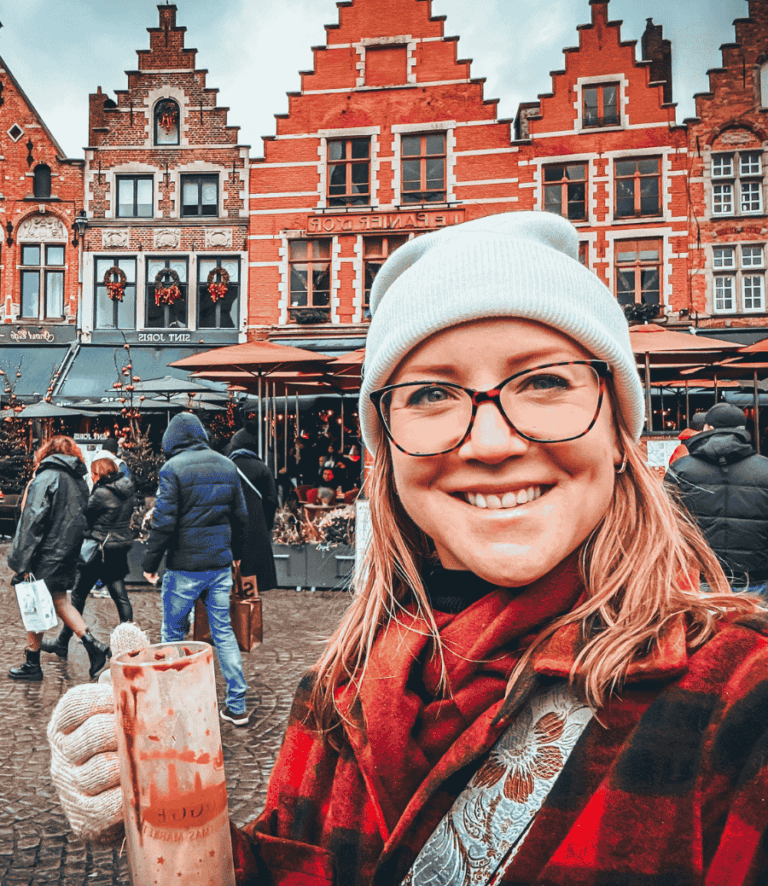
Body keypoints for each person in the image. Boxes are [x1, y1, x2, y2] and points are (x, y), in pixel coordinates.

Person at [46, 213, 768, 883]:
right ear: (387, 451)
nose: (490, 442)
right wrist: (174, 827)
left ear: (620, 432)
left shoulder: (739, 704)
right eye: (430, 394)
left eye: (545, 381)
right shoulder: (336, 690)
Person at [142, 411, 251, 726]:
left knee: (174, 633)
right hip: (218, 564)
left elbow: (163, 522)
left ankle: (177, 703)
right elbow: (241, 518)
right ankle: (237, 703)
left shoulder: (172, 469)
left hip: (184, 566)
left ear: (172, 439)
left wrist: (150, 564)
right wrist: (237, 556)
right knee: (223, 632)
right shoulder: (227, 464)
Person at [7, 436, 111, 681]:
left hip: (45, 553)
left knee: (35, 602)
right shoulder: (79, 481)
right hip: (66, 552)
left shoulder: (45, 478)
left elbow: (31, 520)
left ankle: (33, 663)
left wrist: (21, 563)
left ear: (46, 453)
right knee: (60, 602)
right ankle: (92, 645)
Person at [665, 401, 768, 591]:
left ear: (706, 428)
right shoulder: (765, 469)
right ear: (742, 429)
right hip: (756, 582)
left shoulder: (681, 469)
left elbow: (665, 525)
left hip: (699, 580)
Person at [40, 456, 135, 659]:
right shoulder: (127, 490)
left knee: (77, 596)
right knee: (120, 596)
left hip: (97, 551)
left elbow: (83, 516)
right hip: (116, 549)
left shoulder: (101, 493)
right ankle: (130, 644)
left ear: (98, 474)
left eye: (93, 473)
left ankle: (63, 642)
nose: (91, 477)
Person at [227, 434, 279, 593]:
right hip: (256, 525)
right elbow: (271, 500)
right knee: (253, 570)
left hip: (231, 525)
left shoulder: (226, 466)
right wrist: (267, 524)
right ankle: (249, 603)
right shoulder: (262, 468)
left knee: (232, 572)